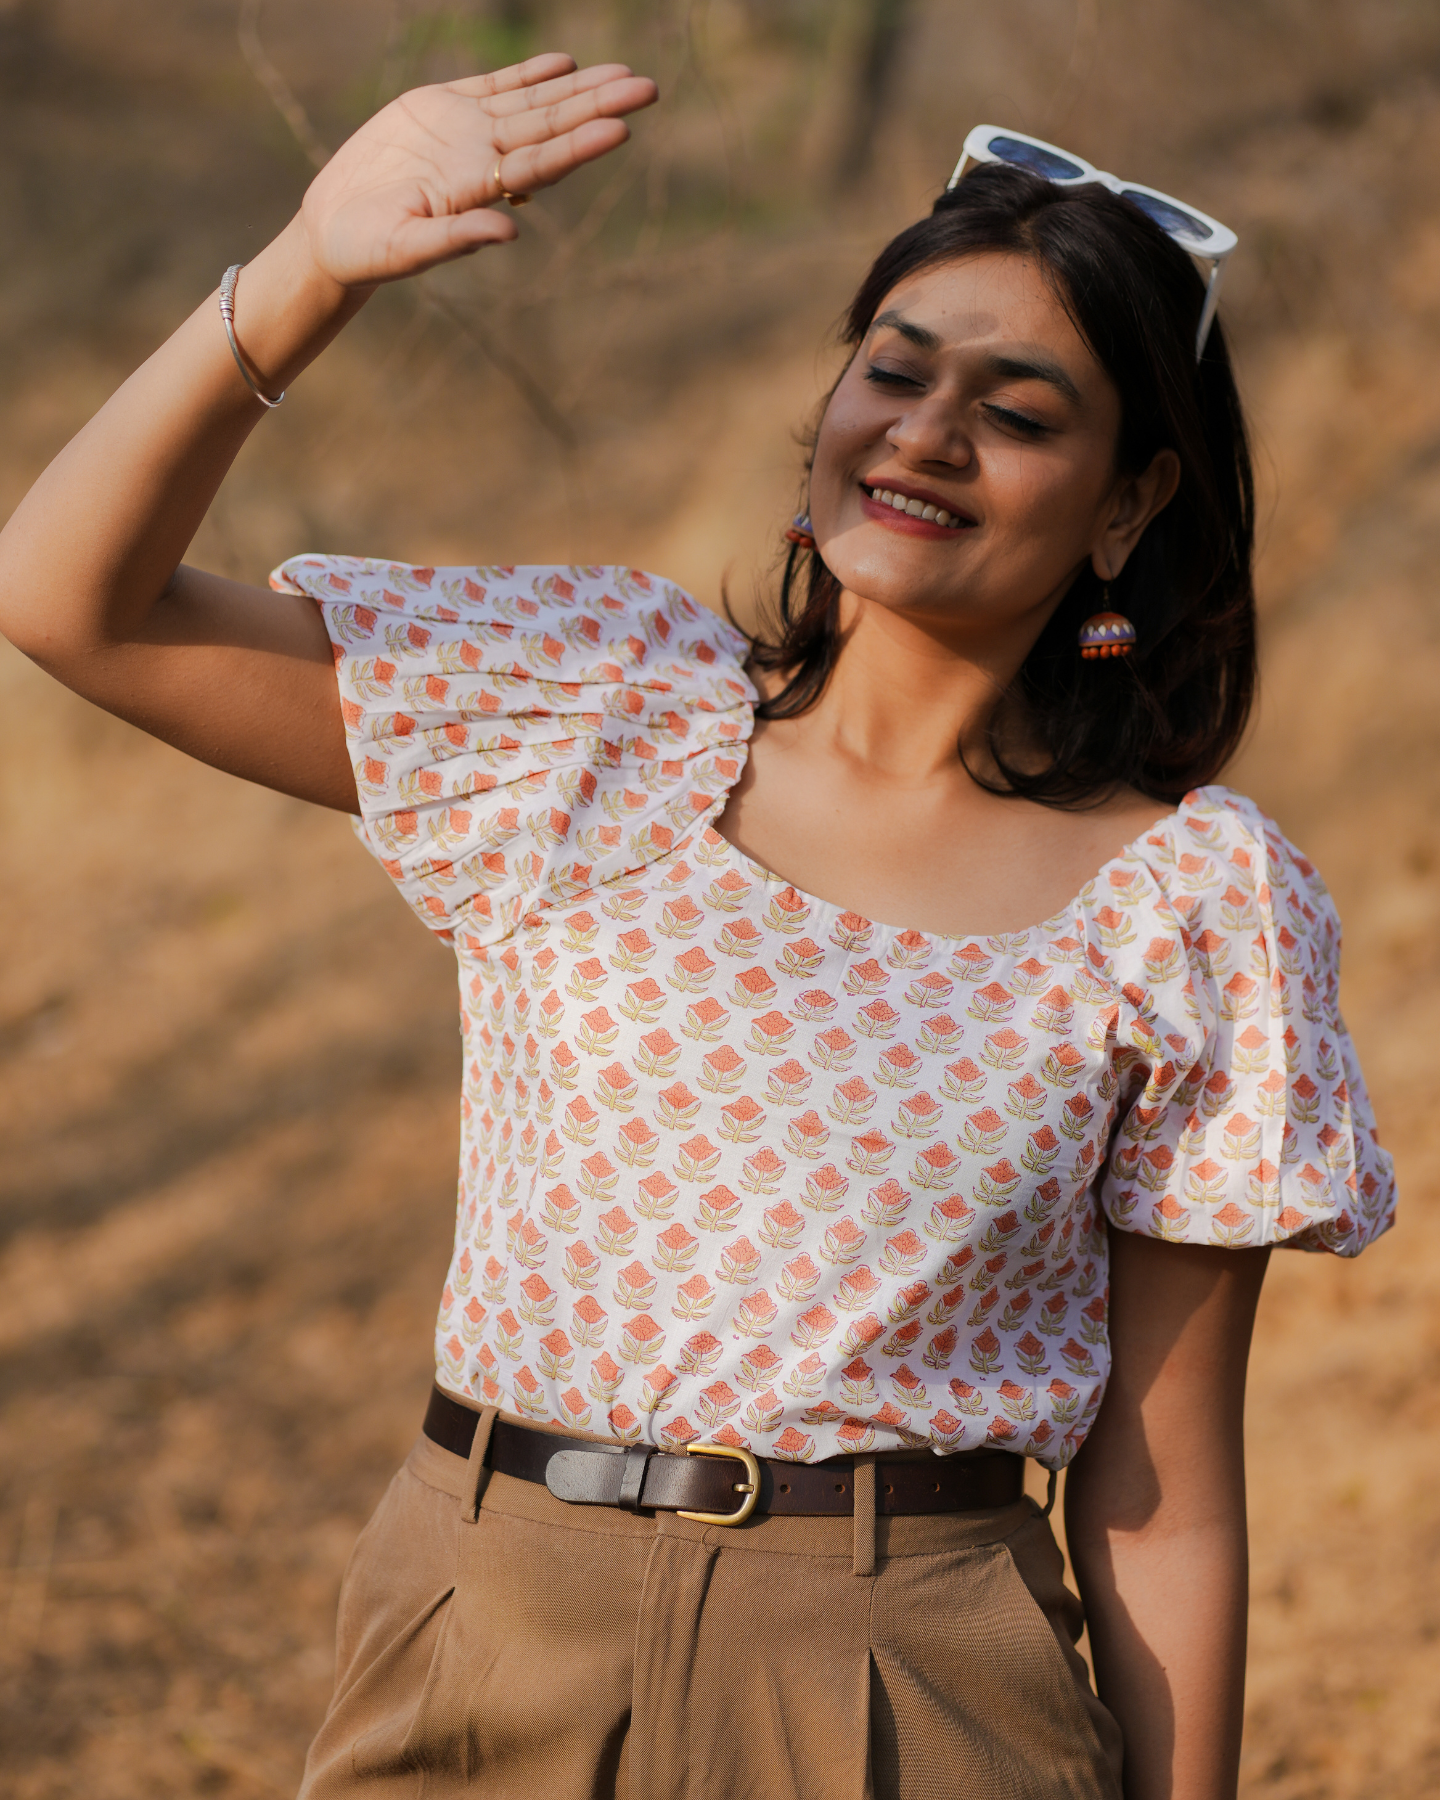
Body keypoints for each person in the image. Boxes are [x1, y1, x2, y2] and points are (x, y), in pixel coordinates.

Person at [0, 51, 1395, 1800]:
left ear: (1130, 504)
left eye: (1023, 414)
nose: (927, 432)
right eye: (895, 368)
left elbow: (1163, 1493)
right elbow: (73, 600)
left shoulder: (1191, 904)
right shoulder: (594, 706)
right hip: (488, 1628)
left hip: (912, 1686)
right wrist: (309, 268)